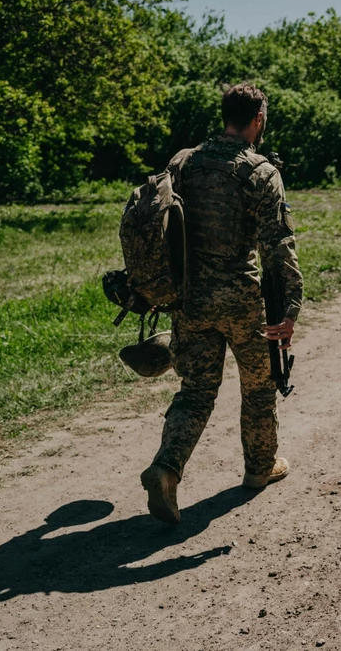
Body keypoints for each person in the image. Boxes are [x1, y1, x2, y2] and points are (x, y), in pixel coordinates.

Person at [139, 83, 303, 525]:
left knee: (194, 392)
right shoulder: (261, 171)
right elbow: (278, 245)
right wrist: (290, 308)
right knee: (258, 386)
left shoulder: (183, 160)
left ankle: (166, 468)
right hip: (242, 303)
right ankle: (259, 467)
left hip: (189, 300)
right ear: (258, 119)